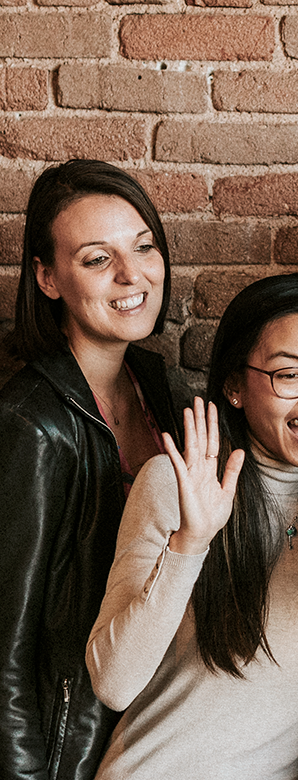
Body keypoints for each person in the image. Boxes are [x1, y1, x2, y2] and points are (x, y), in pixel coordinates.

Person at [86, 273, 298, 780]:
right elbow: (113, 683)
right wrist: (190, 544)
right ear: (234, 386)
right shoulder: (174, 485)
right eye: (290, 375)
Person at [0, 160, 180, 780]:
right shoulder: (33, 424)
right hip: (67, 752)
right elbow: (7, 647)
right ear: (48, 279)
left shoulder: (155, 384)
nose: (132, 276)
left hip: (145, 734)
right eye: (97, 259)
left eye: (144, 247)